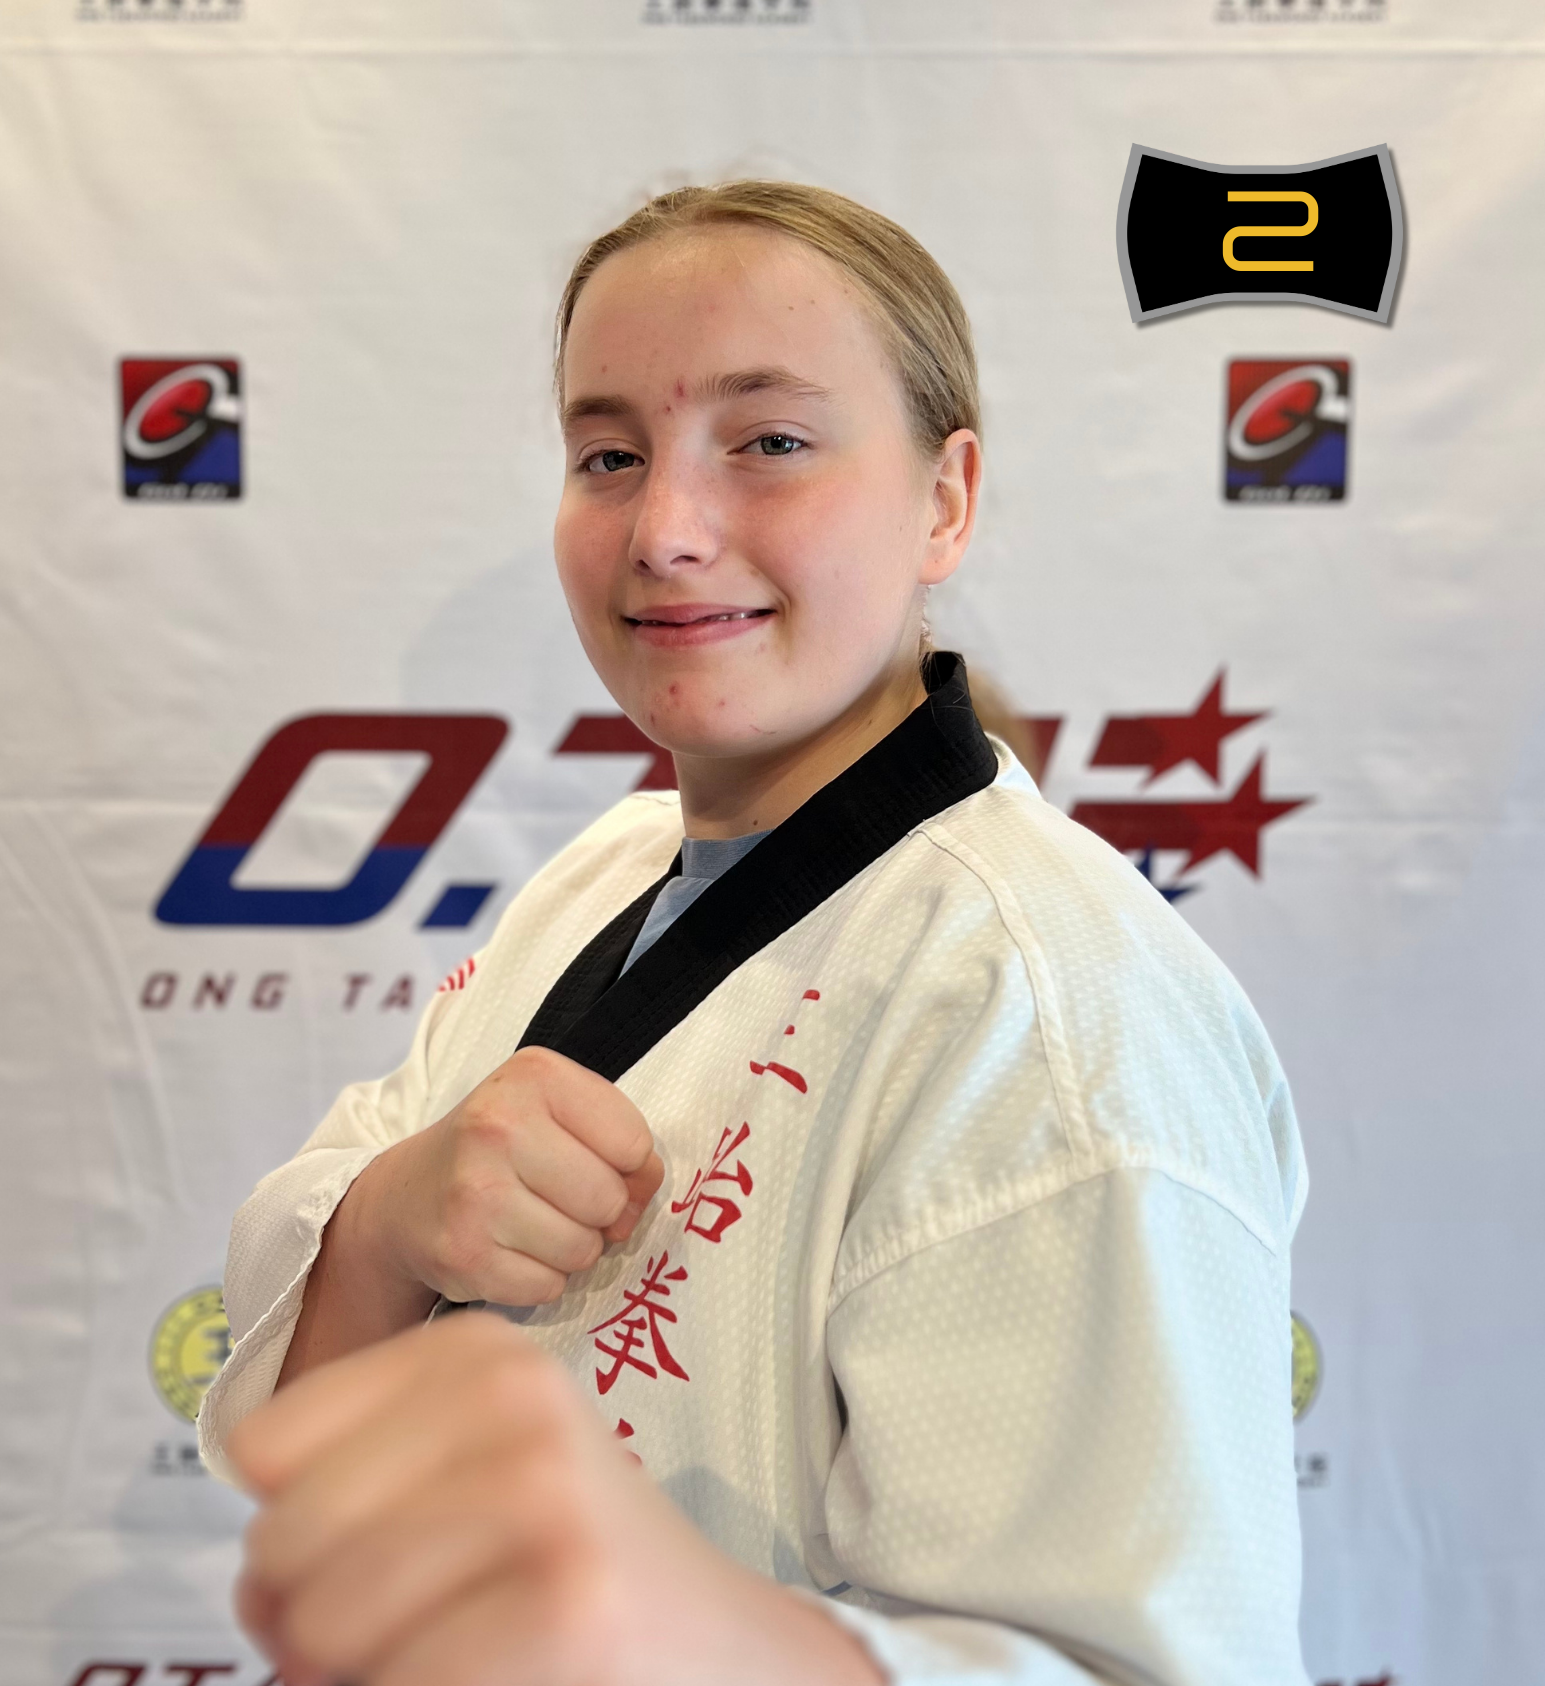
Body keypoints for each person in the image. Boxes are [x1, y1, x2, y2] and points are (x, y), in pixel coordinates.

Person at [200, 180, 1310, 1686]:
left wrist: (684, 1629)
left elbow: (1153, 1665)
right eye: (610, 453)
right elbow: (289, 1431)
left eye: (770, 442)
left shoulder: (1048, 1009)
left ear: (945, 498)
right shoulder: (600, 874)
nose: (664, 529)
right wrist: (394, 1219)